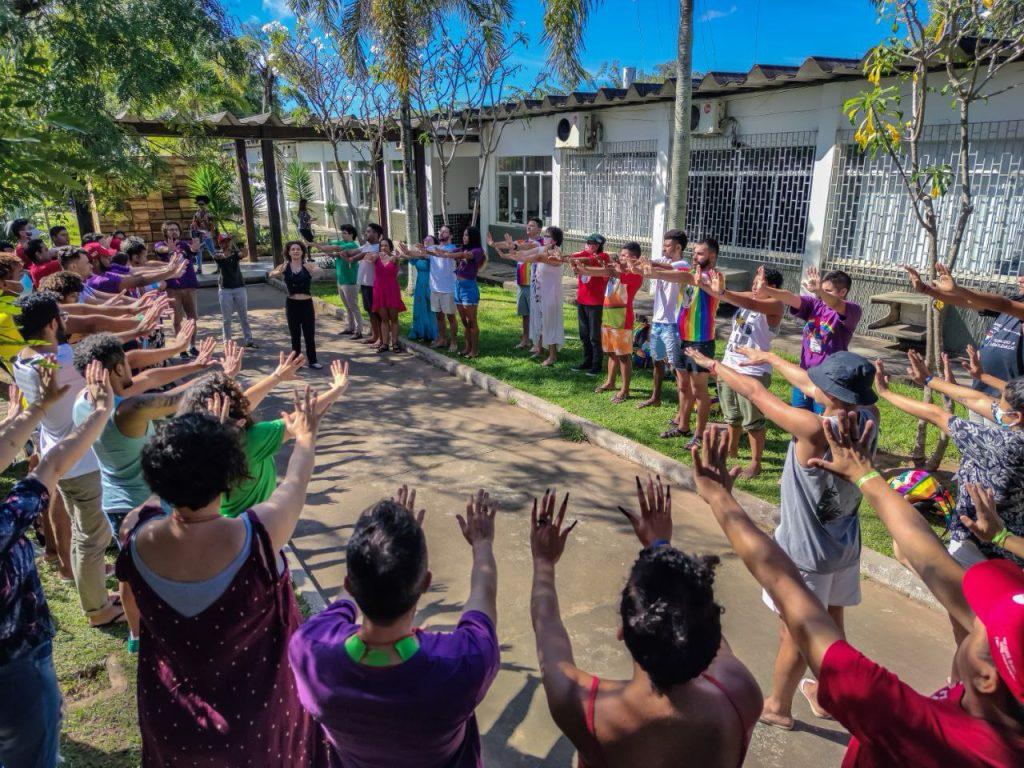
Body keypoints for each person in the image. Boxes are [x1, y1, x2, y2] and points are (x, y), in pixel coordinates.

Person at [694, 417, 1024, 766]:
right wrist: (864, 475)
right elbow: (929, 555)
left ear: (986, 678)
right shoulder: (998, 708)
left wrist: (720, 500)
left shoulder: (910, 724)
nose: (974, 616)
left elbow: (789, 591)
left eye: (982, 624)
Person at [115, 390, 331, 766]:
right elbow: (295, 481)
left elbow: (160, 490)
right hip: (257, 725)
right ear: (230, 474)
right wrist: (307, 436)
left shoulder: (135, 534)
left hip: (171, 721)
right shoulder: (258, 536)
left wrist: (193, 448)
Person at [686, 344, 879, 731]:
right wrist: (771, 359)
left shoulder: (812, 428)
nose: (812, 385)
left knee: (797, 630)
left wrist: (712, 365)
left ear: (831, 393)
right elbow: (808, 383)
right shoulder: (868, 417)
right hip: (843, 544)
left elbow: (756, 394)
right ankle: (829, 693)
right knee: (832, 621)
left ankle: (777, 706)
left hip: (807, 551)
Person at [529, 479, 762, 768]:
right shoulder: (740, 694)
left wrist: (543, 562)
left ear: (622, 632)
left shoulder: (585, 708)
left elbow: (545, 623)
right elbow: (695, 615)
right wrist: (660, 546)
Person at [289, 486, 499, 767]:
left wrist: (381, 548)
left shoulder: (309, 651)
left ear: (349, 583)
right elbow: (482, 599)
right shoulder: (462, 665)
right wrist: (482, 544)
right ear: (425, 582)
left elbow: (342, 603)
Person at [0, 363, 114, 768]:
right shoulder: (6, 523)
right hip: (15, 665)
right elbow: (51, 465)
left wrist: (36, 409)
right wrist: (99, 415)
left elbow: (7, 448)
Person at [12, 294, 129, 627]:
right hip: (82, 460)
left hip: (57, 455)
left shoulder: (23, 360)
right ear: (52, 324)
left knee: (82, 533)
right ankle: (98, 610)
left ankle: (91, 596)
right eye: (60, 317)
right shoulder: (62, 360)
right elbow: (110, 360)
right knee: (93, 537)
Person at [71, 332, 234, 537]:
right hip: (142, 507)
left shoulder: (82, 399)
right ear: (119, 369)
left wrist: (195, 366)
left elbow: (149, 378)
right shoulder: (127, 411)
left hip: (115, 502)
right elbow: (176, 398)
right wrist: (223, 375)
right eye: (126, 362)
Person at [877, 351, 1024, 574]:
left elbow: (937, 415)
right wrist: (930, 380)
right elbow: (980, 401)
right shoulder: (1012, 428)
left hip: (980, 544)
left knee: (960, 599)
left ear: (1017, 417)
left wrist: (885, 393)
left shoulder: (1003, 445)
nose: (995, 410)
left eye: (1001, 409)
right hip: (1017, 546)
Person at [177, 354, 350, 518]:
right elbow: (299, 420)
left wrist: (276, 376)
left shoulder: (195, 445)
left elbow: (241, 406)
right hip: (254, 525)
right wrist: (337, 389)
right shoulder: (252, 439)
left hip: (224, 524)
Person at [703, 264, 786, 478]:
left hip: (753, 372)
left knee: (753, 421)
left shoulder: (775, 304)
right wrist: (702, 282)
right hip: (730, 365)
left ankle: (755, 463)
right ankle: (731, 451)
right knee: (732, 416)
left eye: (758, 281)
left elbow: (747, 302)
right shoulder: (753, 295)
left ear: (772, 286)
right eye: (755, 281)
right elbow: (731, 296)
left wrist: (723, 292)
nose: (754, 285)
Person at [906, 263, 1024, 410]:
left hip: (1009, 402)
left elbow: (1004, 305)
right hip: (980, 393)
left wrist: (959, 290)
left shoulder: (1011, 306)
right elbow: (967, 301)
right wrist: (928, 290)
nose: (1020, 279)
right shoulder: (1017, 300)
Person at [756, 266, 861, 412]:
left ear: (843, 292)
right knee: (799, 420)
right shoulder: (815, 305)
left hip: (828, 380)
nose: (822, 295)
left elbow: (836, 304)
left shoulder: (852, 310)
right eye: (822, 289)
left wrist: (819, 291)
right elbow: (791, 298)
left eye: (828, 291)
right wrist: (767, 290)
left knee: (820, 423)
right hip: (804, 375)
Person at [647, 236, 720, 446]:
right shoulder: (691, 274)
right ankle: (683, 427)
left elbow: (680, 277)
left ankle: (699, 435)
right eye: (694, 253)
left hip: (701, 341)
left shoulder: (714, 277)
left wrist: (654, 270)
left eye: (700, 253)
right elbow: (676, 276)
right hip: (683, 338)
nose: (695, 257)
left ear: (712, 256)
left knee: (699, 391)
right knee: (683, 386)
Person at [574, 242, 644, 402]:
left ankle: (625, 390)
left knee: (624, 356)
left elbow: (618, 273)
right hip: (608, 317)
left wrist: (615, 267)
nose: (621, 258)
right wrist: (580, 268)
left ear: (634, 258)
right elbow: (600, 272)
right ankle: (610, 382)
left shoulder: (636, 274)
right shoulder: (615, 271)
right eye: (620, 255)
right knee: (611, 353)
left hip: (622, 320)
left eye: (624, 255)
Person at [636, 229, 689, 416]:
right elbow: (648, 271)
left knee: (676, 367)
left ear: (678, 247)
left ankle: (682, 409)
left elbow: (659, 268)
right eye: (664, 245)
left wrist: (650, 263)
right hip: (658, 321)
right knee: (657, 361)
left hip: (672, 324)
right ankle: (655, 397)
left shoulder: (683, 264)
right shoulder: (663, 261)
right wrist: (631, 263)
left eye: (668, 246)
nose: (664, 249)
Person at [507, 226, 567, 366]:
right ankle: (541, 349)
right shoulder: (542, 249)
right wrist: (514, 248)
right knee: (541, 321)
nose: (544, 238)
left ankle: (552, 356)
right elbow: (525, 253)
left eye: (548, 236)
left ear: (554, 240)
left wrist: (517, 253)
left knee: (550, 323)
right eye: (545, 235)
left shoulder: (556, 254)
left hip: (551, 295)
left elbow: (532, 257)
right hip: (541, 293)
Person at [269, 240, 329, 370]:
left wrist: (314, 269)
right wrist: (278, 272)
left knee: (309, 334)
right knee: (295, 334)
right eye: (293, 249)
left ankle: (313, 360)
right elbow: (270, 274)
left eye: (298, 249)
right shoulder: (285, 266)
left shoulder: (308, 265)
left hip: (306, 304)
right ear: (289, 252)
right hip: (292, 304)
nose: (295, 251)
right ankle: (296, 361)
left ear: (302, 252)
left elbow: (321, 272)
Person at [429, 227, 486, 358]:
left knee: (472, 321)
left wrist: (448, 254)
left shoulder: (477, 251)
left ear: (473, 237)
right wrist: (428, 251)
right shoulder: (462, 249)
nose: (464, 237)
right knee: (465, 322)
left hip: (469, 288)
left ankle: (474, 350)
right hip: (458, 287)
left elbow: (463, 256)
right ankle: (467, 347)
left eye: (467, 235)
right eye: (464, 235)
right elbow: (443, 253)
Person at [489, 217, 544, 350]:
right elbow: (508, 244)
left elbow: (517, 246)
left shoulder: (541, 243)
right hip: (521, 283)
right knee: (525, 314)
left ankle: (538, 342)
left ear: (539, 229)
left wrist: (513, 246)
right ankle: (525, 340)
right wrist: (493, 244)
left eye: (532, 225)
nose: (528, 227)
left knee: (537, 314)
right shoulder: (522, 241)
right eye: (528, 225)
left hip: (534, 285)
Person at [153, 221, 201, 357]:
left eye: (176, 229)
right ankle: (181, 348)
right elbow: (160, 250)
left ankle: (192, 345)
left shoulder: (185, 245)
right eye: (170, 230)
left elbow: (192, 252)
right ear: (165, 232)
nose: (173, 231)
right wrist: (168, 249)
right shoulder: (160, 245)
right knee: (176, 320)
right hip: (172, 288)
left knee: (192, 318)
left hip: (189, 286)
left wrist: (194, 249)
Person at [311, 223, 362, 337]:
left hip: (350, 281)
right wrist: (318, 246)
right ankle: (350, 327)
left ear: (351, 234)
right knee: (347, 307)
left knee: (353, 306)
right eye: (342, 232)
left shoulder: (352, 245)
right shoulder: (342, 243)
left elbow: (335, 248)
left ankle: (359, 331)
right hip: (341, 280)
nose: (342, 235)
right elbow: (331, 252)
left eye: (345, 233)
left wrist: (317, 245)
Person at [571, 233, 611, 376]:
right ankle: (587, 361)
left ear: (600, 246)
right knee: (584, 334)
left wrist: (579, 259)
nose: (590, 246)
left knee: (594, 335)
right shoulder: (585, 253)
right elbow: (574, 256)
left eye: (594, 244)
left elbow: (588, 259)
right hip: (582, 300)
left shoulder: (603, 257)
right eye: (588, 243)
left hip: (595, 302)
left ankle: (596, 364)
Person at [213, 232, 255, 348]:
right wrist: (232, 252)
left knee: (244, 316)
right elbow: (222, 257)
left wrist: (244, 250)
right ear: (220, 243)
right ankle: (227, 340)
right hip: (225, 289)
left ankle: (248, 339)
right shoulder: (217, 254)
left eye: (228, 241)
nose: (227, 243)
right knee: (226, 318)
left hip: (239, 287)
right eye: (224, 241)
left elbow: (243, 254)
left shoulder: (236, 254)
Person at [367, 237, 407, 353]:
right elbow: (367, 257)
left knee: (394, 318)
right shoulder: (376, 258)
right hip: (379, 290)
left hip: (392, 290)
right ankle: (385, 343)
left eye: (386, 245)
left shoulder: (394, 258)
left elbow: (397, 261)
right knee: (384, 318)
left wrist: (396, 255)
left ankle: (394, 343)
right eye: (381, 246)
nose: (383, 248)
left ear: (390, 247)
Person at [394, 235, 437, 344]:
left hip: (430, 283)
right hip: (419, 284)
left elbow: (423, 256)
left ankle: (431, 333)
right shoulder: (418, 253)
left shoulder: (435, 253)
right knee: (420, 308)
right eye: (425, 238)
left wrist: (410, 252)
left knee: (430, 308)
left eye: (429, 239)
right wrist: (400, 251)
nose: (426, 240)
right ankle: (420, 332)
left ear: (434, 242)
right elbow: (408, 257)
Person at [189, 194, 216, 271]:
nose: (200, 205)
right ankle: (199, 268)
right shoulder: (196, 213)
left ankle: (219, 267)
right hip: (198, 235)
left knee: (212, 251)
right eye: (199, 204)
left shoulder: (209, 213)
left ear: (206, 204)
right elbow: (194, 223)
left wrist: (210, 233)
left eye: (202, 204)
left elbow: (212, 225)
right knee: (198, 251)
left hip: (207, 235)